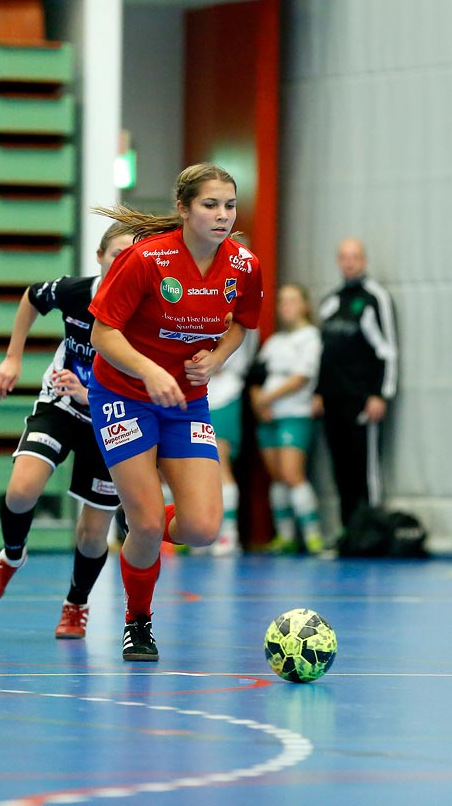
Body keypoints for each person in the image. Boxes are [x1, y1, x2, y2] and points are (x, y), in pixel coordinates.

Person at [88, 163, 264, 661]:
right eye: (210, 204)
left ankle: (141, 515)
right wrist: (150, 370)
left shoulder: (244, 266)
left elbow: (242, 324)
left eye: (230, 205)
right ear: (184, 210)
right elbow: (103, 334)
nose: (223, 215)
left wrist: (217, 357)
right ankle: (138, 621)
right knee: (144, 527)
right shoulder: (146, 260)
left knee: (204, 529)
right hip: (124, 392)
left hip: (186, 402)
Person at [0, 222, 136, 640]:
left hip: (111, 417)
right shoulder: (76, 293)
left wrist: (92, 393)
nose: (125, 263)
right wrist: (12, 359)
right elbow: (31, 296)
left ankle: (76, 603)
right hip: (61, 404)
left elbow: (141, 378)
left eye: (134, 257)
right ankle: (11, 557)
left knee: (92, 533)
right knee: (21, 489)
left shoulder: (144, 311)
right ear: (100, 256)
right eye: (118, 253)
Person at [313, 237, 398, 530]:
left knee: (364, 467)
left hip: (361, 399)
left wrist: (379, 394)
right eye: (344, 257)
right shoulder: (330, 302)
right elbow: (323, 352)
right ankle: (349, 531)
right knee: (341, 467)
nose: (349, 262)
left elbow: (387, 350)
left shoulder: (376, 298)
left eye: (355, 257)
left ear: (364, 261)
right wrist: (318, 392)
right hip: (333, 399)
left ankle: (371, 530)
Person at [251, 283, 324, 553]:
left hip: (295, 413)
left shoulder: (311, 338)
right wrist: (259, 404)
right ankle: (285, 536)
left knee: (293, 474)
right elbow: (257, 375)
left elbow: (300, 378)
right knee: (278, 477)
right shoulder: (274, 342)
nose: (286, 307)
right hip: (269, 417)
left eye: (292, 300)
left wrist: (267, 399)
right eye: (282, 301)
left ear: (305, 305)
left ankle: (314, 535)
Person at [203, 233, 258, 556]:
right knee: (189, 464)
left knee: (220, 461)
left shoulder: (243, 295)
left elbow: (236, 348)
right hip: (198, 389)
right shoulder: (205, 288)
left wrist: (214, 359)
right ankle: (196, 534)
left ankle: (229, 533)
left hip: (224, 392)